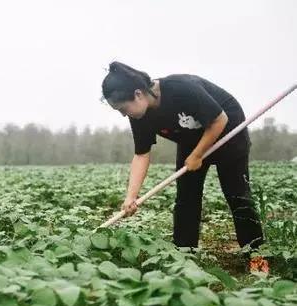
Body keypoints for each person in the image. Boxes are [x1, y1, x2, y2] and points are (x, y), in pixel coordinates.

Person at [101, 61, 265, 257]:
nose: (123, 115)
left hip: (228, 133)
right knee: (186, 198)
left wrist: (196, 155)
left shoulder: (181, 89)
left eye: (123, 109)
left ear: (138, 94)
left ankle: (257, 256)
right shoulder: (140, 116)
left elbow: (219, 120)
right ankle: (184, 256)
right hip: (191, 138)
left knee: (237, 194)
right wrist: (131, 196)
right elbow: (141, 154)